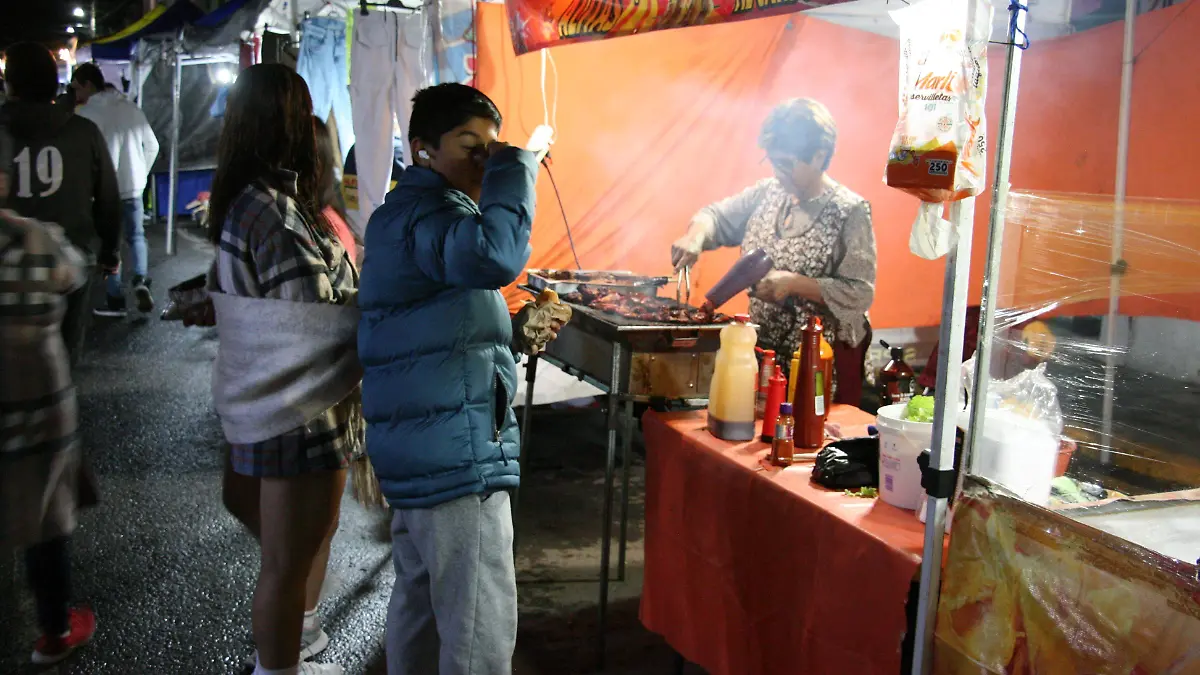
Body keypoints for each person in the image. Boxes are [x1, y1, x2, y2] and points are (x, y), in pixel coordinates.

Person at [358, 83, 563, 675]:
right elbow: (496, 257)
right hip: (454, 458)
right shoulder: (429, 213)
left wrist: (517, 329)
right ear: (423, 150)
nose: (485, 160)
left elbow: (440, 325)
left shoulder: (415, 215)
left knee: (422, 610)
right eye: (471, 146)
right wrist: (516, 167)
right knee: (479, 631)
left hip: (429, 449)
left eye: (493, 147)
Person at [207, 64, 360, 675]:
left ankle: (292, 645)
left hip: (274, 402)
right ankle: (280, 664)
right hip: (299, 408)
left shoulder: (251, 200)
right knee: (285, 567)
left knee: (288, 558)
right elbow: (309, 308)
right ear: (292, 122)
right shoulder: (273, 208)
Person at [671, 98, 877, 405]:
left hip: (817, 366)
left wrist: (794, 284)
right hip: (762, 355)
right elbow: (714, 216)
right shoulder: (767, 193)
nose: (778, 172)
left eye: (787, 163)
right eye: (773, 162)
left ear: (819, 156)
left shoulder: (850, 212)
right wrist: (694, 237)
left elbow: (860, 293)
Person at [0, 124, 99, 665]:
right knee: (45, 522)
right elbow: (73, 272)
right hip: (38, 406)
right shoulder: (35, 239)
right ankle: (55, 631)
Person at [1, 42, 122, 367]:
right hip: (71, 260)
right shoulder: (84, 132)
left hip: (7, 266)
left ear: (9, 84)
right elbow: (109, 199)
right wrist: (109, 252)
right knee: (63, 359)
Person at [73, 62, 160, 316]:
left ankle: (115, 299)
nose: (76, 95)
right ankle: (141, 280)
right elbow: (152, 145)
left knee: (110, 244)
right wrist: (140, 176)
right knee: (136, 236)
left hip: (103, 192)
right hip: (133, 187)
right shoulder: (131, 109)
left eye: (77, 88)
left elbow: (82, 158)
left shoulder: (86, 115)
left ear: (89, 85)